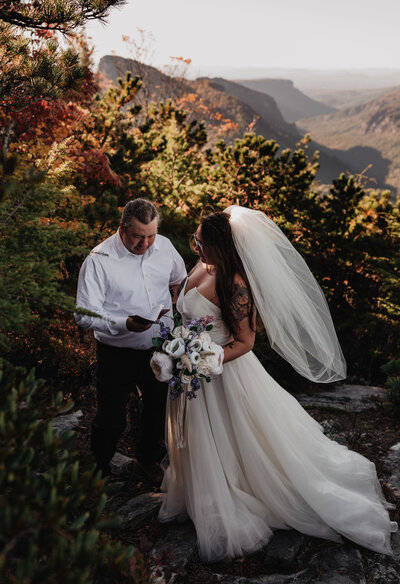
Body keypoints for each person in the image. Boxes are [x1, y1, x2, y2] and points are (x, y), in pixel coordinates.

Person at [159, 206, 397, 561]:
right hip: (191, 376)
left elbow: (245, 342)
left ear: (221, 247)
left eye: (202, 243)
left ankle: (239, 496)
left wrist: (204, 358)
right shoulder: (203, 267)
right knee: (200, 441)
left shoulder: (235, 285)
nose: (196, 247)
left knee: (239, 439)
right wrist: (177, 350)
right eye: (196, 240)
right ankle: (202, 498)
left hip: (223, 375)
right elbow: (187, 317)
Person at [75, 198, 186, 479]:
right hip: (116, 353)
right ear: (122, 229)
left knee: (157, 409)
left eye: (151, 236)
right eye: (138, 237)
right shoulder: (99, 260)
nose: (146, 244)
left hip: (159, 349)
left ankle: (146, 458)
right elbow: (83, 314)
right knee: (111, 419)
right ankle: (99, 468)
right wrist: (124, 323)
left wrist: (175, 307)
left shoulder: (165, 247)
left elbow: (179, 278)